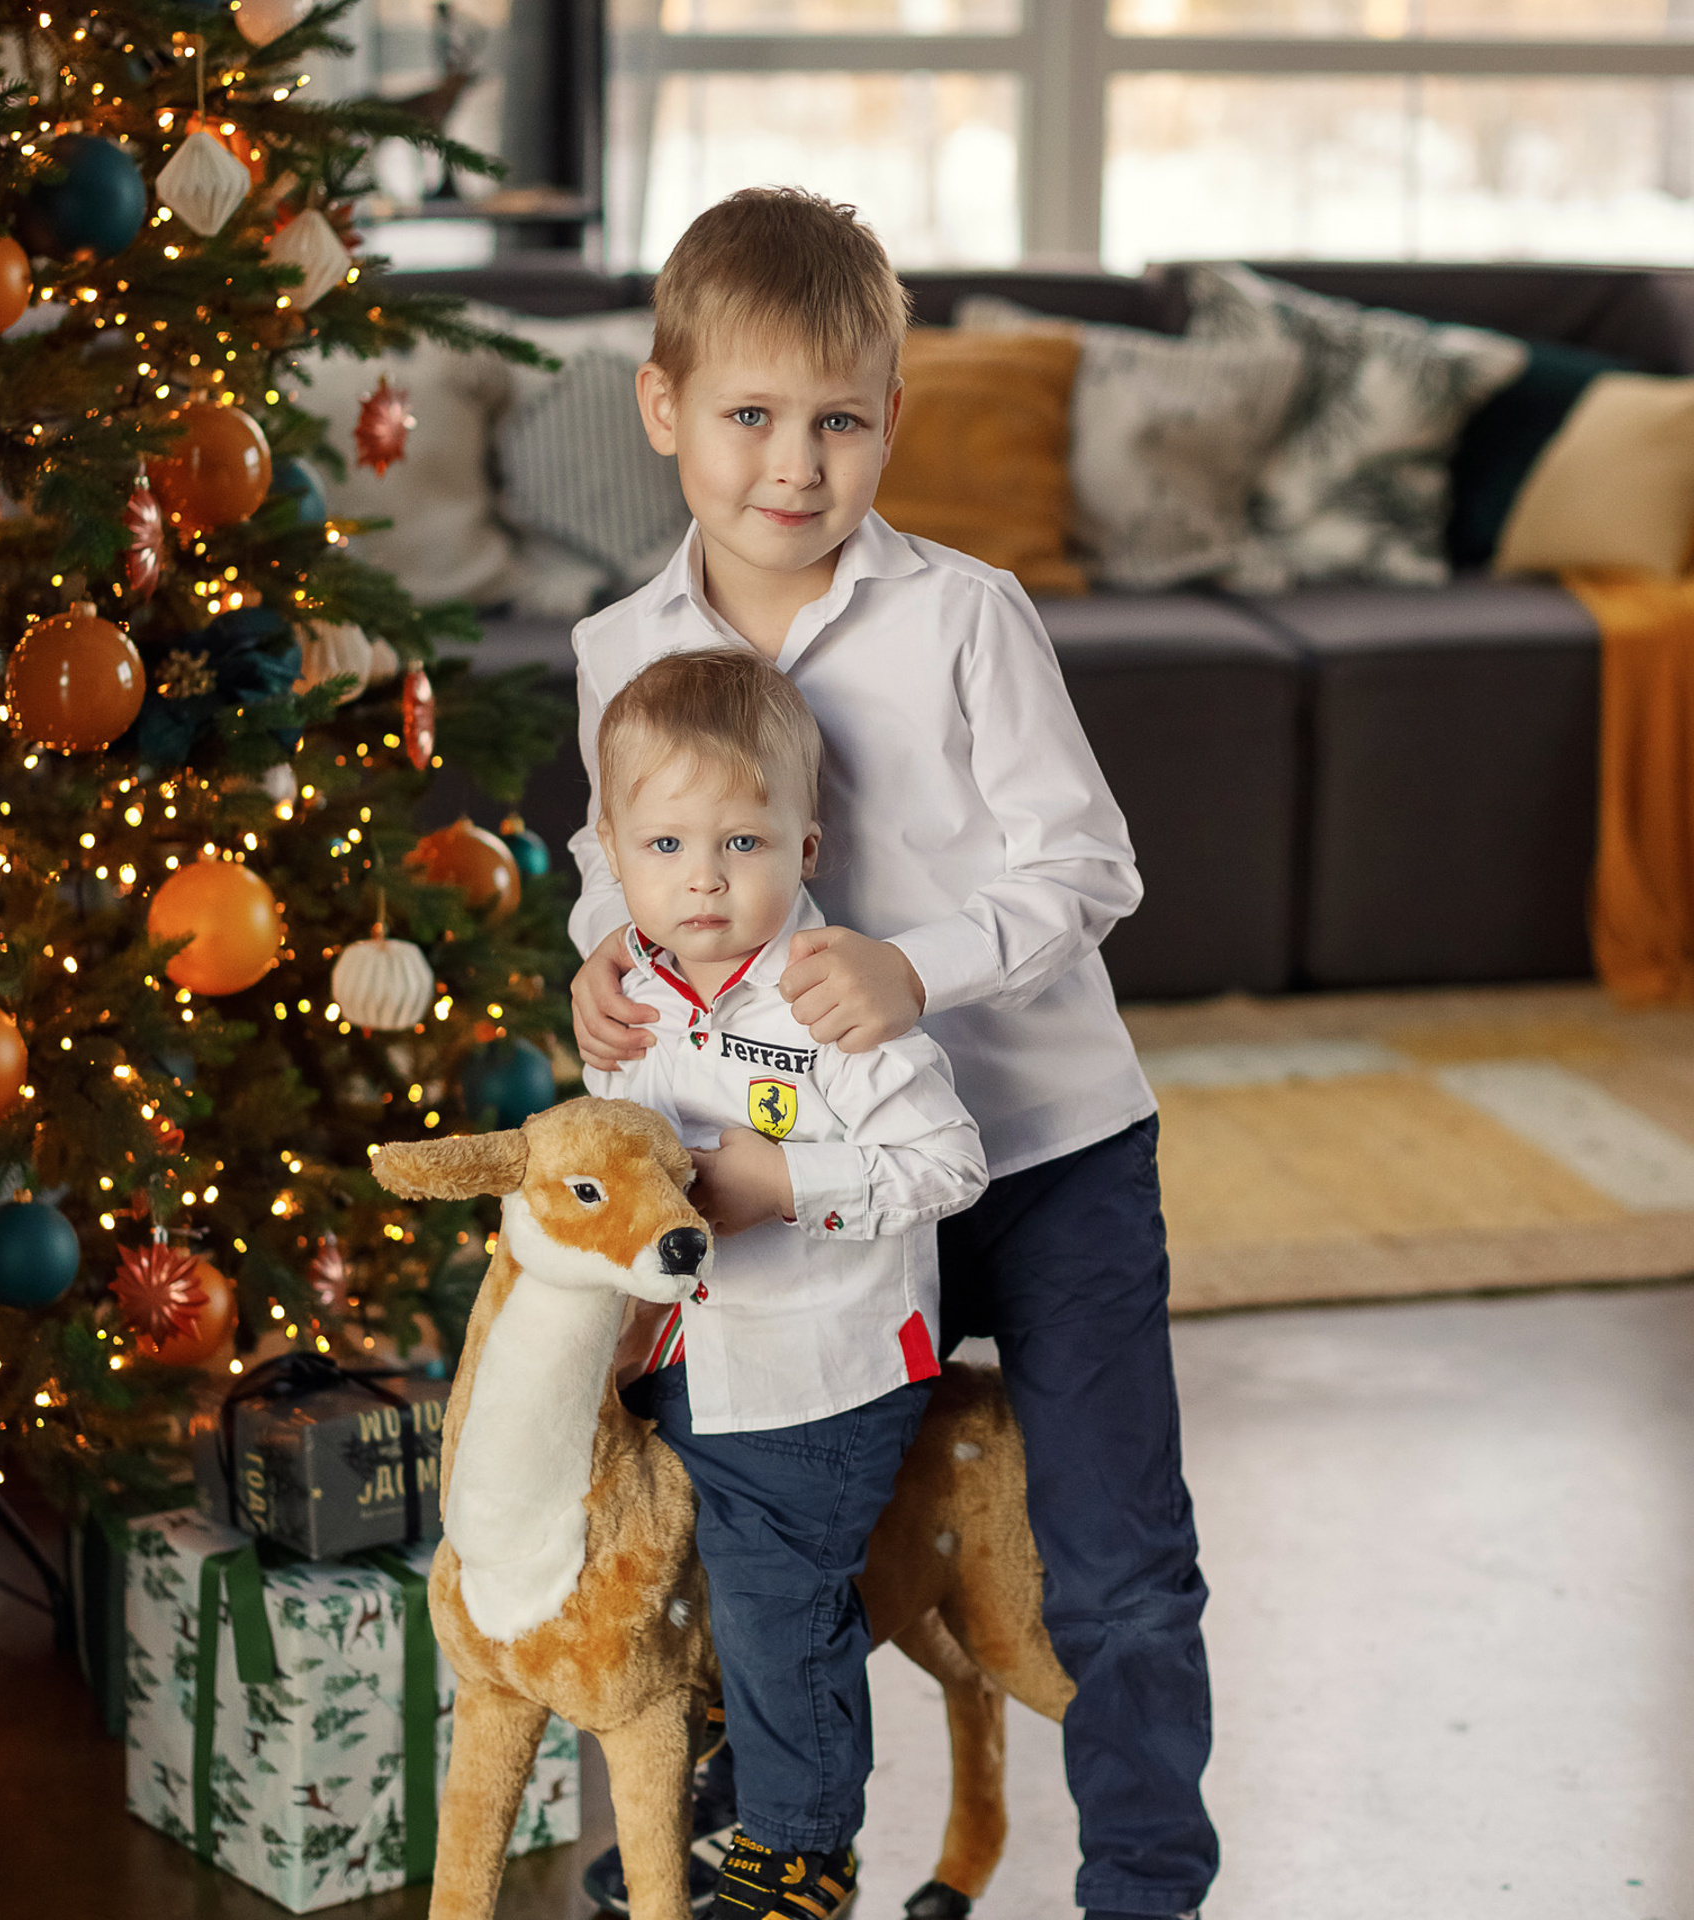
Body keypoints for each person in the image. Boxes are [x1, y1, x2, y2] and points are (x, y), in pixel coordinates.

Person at [570, 187, 1219, 1920]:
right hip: (796, 1183)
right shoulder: (619, 650)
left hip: (1047, 1155)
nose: (794, 466)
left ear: (891, 421)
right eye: (749, 416)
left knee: (1115, 1554)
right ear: (662, 409)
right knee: (761, 1521)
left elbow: (1089, 865)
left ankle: (1147, 1886)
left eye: (838, 423)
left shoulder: (966, 616)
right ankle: (775, 1831)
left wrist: (913, 971)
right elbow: (610, 851)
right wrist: (597, 959)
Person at [584, 644, 989, 1920]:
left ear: (806, 848)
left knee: (776, 1600)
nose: (701, 878)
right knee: (675, 1579)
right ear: (613, 855)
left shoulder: (832, 1001)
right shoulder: (633, 1000)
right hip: (680, 1363)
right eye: (664, 846)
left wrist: (784, 1182)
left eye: (742, 843)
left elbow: (950, 1162)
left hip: (818, 1373)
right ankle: (726, 1778)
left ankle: (802, 1846)